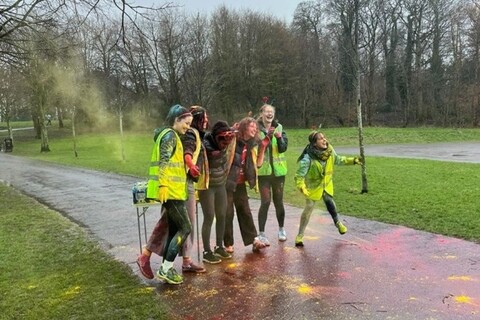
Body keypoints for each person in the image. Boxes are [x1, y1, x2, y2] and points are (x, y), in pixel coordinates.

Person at [137, 105, 208, 278]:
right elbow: (164, 162)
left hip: (175, 191)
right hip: (169, 191)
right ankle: (165, 268)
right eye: (186, 123)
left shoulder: (174, 135)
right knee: (185, 228)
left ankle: (163, 266)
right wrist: (163, 186)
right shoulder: (169, 136)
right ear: (176, 120)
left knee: (175, 226)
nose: (187, 127)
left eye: (190, 123)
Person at [294, 131, 361, 247]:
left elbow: (338, 160)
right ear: (314, 144)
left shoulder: (330, 151)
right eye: (321, 139)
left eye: (324, 138)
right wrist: (302, 187)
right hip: (312, 188)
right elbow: (299, 176)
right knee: (309, 207)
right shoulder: (307, 159)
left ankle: (338, 223)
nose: (324, 140)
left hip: (326, 184)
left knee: (329, 200)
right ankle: (299, 235)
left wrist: (353, 161)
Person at [224, 117, 270, 253]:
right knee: (228, 213)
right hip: (227, 181)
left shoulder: (251, 143)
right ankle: (228, 244)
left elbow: (259, 164)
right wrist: (231, 130)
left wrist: (262, 147)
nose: (255, 129)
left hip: (240, 183)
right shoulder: (232, 139)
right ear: (244, 127)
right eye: (252, 127)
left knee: (245, 211)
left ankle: (254, 240)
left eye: (255, 128)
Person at [199, 121, 236, 264]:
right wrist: (220, 150)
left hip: (220, 184)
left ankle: (219, 246)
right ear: (215, 136)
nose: (224, 143)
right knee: (209, 216)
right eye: (222, 139)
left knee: (222, 214)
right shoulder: (205, 144)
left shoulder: (225, 145)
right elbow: (213, 158)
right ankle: (207, 251)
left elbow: (224, 159)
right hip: (207, 186)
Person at [256, 103, 288, 245]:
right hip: (263, 172)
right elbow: (254, 147)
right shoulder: (256, 129)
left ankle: (281, 229)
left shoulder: (279, 127)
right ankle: (261, 233)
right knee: (265, 202)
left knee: (278, 202)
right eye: (266, 112)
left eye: (271, 112)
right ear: (261, 113)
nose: (269, 114)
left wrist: (279, 138)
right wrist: (265, 139)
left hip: (279, 172)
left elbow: (283, 149)